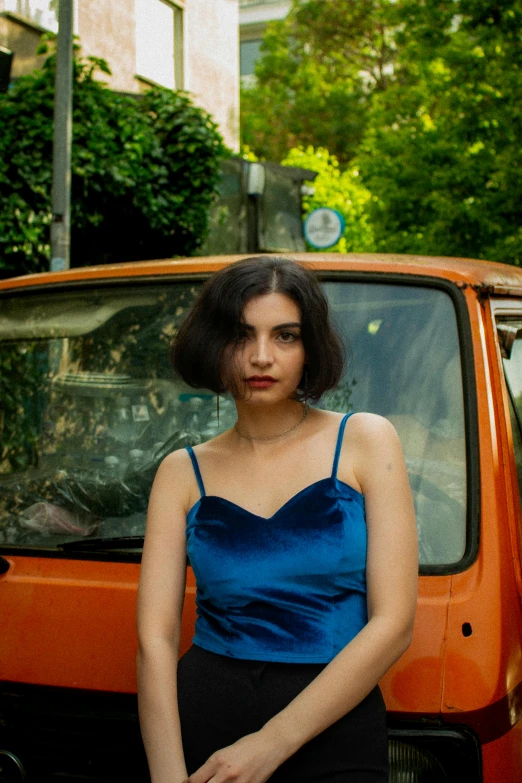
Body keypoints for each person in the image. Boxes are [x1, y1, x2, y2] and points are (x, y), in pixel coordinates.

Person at [136, 256, 418, 783]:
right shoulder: (181, 472)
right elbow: (154, 641)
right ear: (213, 344)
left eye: (285, 336)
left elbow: (395, 622)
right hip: (206, 718)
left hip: (335, 724)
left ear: (309, 347)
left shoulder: (365, 439)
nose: (261, 358)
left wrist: (270, 744)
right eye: (242, 336)